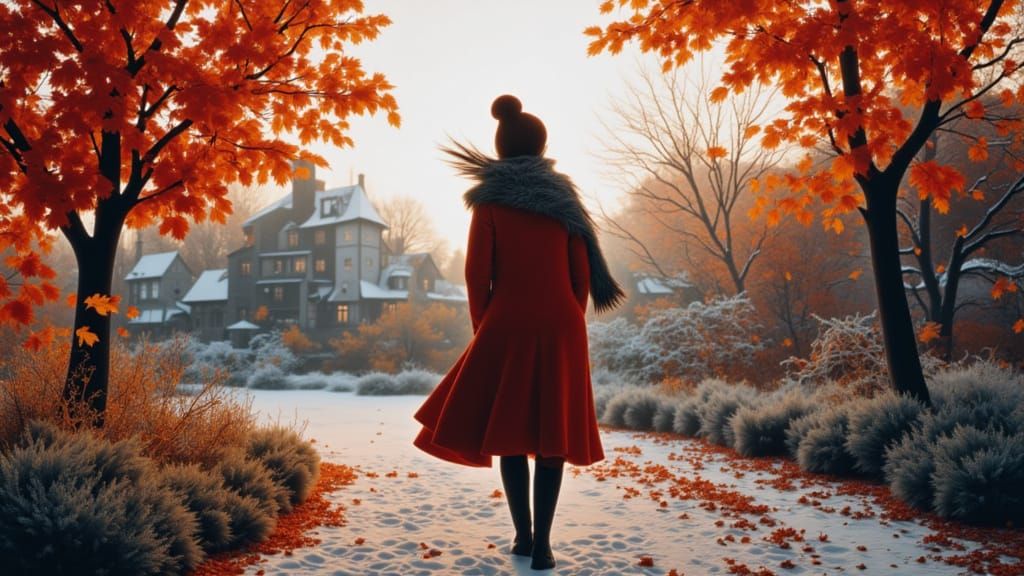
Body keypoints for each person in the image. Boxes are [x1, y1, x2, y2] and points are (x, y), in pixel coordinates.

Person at [413, 94, 625, 570]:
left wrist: (485, 324)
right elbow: (580, 276)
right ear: (541, 145)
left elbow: (475, 275)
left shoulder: (489, 203)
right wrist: (567, 316)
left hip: (506, 322)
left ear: (501, 147)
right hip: (561, 325)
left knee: (509, 430)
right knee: (552, 433)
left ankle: (523, 538)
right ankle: (545, 546)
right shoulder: (564, 201)